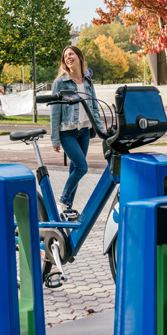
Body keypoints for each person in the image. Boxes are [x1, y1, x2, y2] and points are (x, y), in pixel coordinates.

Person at [50, 45, 105, 217]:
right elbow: (55, 112)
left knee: (74, 169)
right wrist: (55, 139)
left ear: (79, 57)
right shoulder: (60, 83)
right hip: (68, 132)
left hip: (85, 132)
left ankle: (67, 208)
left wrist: (102, 131)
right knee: (82, 167)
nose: (68, 57)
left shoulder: (88, 82)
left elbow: (94, 108)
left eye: (71, 54)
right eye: (66, 56)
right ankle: (63, 202)